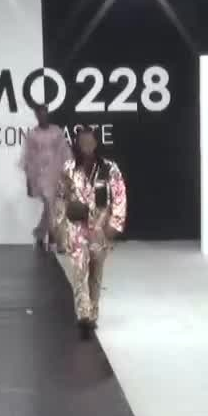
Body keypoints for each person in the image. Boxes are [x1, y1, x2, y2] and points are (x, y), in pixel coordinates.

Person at [55, 127, 127, 331]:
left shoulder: (109, 168)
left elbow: (119, 196)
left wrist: (115, 224)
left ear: (96, 143)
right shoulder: (68, 169)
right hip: (76, 227)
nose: (86, 146)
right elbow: (59, 198)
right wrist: (60, 228)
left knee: (96, 271)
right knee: (79, 270)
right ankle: (83, 314)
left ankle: (93, 312)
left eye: (89, 142)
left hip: (100, 228)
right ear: (76, 144)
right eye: (82, 142)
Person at [21, 105, 71, 252]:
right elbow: (28, 159)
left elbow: (65, 152)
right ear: (36, 115)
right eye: (40, 114)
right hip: (40, 175)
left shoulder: (56, 131)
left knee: (52, 207)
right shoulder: (32, 135)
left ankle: (39, 233)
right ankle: (56, 240)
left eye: (45, 113)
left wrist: (67, 172)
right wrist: (28, 181)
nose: (43, 116)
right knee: (50, 204)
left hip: (56, 173)